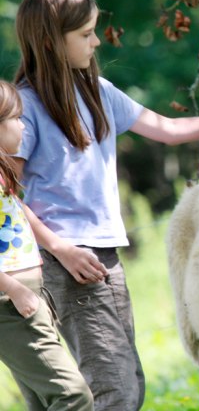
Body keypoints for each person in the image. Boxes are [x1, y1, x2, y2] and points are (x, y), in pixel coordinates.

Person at [12, 0, 199, 411]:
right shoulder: (25, 108)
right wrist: (61, 248)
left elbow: (171, 130)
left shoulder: (97, 91)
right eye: (84, 34)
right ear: (50, 41)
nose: (96, 40)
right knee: (114, 391)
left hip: (105, 257)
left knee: (127, 382)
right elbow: (4, 192)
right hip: (63, 261)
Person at [0, 80, 94, 410]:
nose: (24, 128)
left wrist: (57, 246)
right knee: (71, 395)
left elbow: (17, 211)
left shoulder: (1, 174)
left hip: (25, 294)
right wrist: (14, 289)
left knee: (43, 401)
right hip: (10, 301)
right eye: (17, 119)